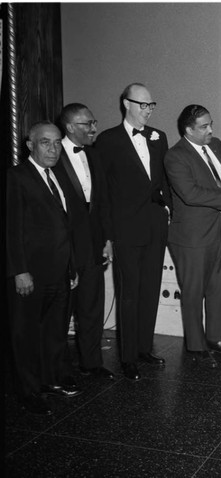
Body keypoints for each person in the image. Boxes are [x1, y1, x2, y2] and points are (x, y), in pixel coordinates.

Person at [94, 83, 171, 381]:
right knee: (129, 293)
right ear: (126, 104)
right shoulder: (108, 140)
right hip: (125, 228)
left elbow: (163, 179)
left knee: (150, 289)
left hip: (154, 225)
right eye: (143, 105)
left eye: (151, 105)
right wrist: (108, 235)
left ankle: (142, 348)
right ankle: (127, 358)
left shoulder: (159, 137)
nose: (148, 110)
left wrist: (167, 209)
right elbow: (103, 192)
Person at [6, 121, 83, 415]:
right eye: (44, 143)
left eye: (56, 143)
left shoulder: (59, 175)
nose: (52, 149)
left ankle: (51, 380)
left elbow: (65, 226)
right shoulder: (16, 177)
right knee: (24, 334)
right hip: (30, 274)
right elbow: (11, 228)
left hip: (60, 271)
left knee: (54, 331)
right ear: (30, 145)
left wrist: (71, 266)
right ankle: (27, 391)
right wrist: (19, 271)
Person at [164, 104, 221, 369]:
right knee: (194, 291)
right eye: (204, 127)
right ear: (189, 130)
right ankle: (196, 346)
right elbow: (190, 193)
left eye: (211, 124)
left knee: (220, 287)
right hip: (191, 236)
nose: (211, 130)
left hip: (218, 228)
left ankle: (217, 339)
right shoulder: (175, 156)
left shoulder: (216, 145)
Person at [55, 103, 114, 379]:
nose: (94, 128)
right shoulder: (53, 156)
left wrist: (107, 239)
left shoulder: (95, 155)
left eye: (94, 122)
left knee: (91, 307)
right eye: (87, 124)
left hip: (93, 246)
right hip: (63, 250)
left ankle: (91, 363)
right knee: (59, 314)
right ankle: (57, 370)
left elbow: (103, 203)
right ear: (69, 127)